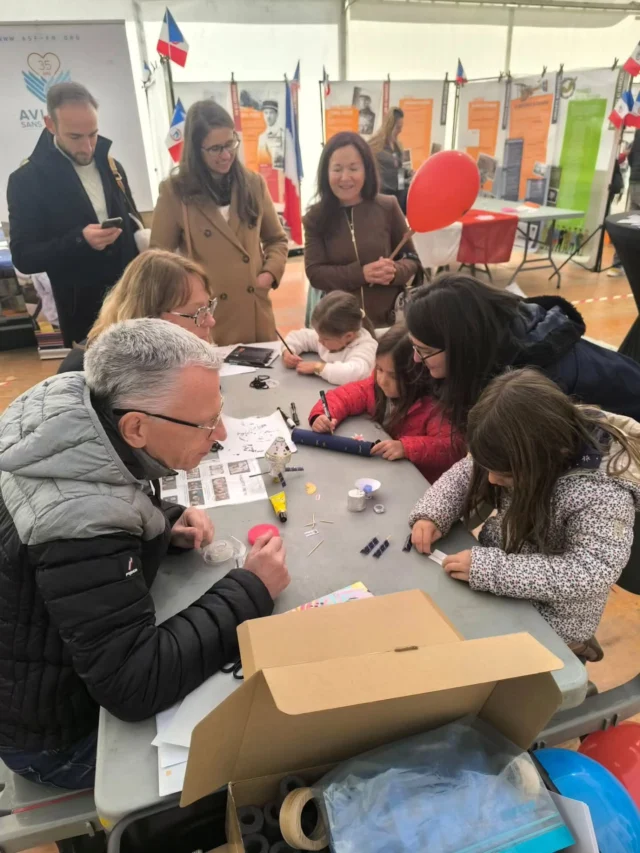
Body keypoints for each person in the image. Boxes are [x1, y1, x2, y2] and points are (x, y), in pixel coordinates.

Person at [0, 319, 290, 789]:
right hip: (58, 738)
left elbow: (102, 483)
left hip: (48, 670)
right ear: (135, 426)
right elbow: (134, 683)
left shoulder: (75, 409)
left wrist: (161, 520)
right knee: (278, 746)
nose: (218, 434)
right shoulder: (80, 526)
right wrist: (250, 589)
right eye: (203, 423)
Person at [409, 369, 640, 648]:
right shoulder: (525, 442)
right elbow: (467, 472)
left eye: (504, 475)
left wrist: (493, 571)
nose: (492, 480)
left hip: (553, 619)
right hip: (499, 581)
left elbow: (590, 571)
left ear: (549, 457)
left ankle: (572, 663)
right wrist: (433, 513)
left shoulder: (603, 495)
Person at [404, 273, 640, 433]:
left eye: (424, 350)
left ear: (461, 346)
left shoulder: (536, 383)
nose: (416, 359)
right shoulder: (499, 338)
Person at [7, 82, 140, 347]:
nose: (88, 147)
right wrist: (79, 240)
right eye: (75, 137)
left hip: (133, 308)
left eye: (93, 134)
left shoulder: (112, 166)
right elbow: (24, 258)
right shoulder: (27, 180)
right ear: (50, 124)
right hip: (83, 319)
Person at [151, 100, 288, 346]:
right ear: (195, 149)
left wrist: (267, 275)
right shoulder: (175, 193)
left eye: (230, 144)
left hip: (255, 310)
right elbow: (158, 259)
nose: (226, 155)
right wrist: (187, 299)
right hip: (208, 318)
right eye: (215, 149)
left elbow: (276, 239)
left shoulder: (253, 184)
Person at [308, 325, 463, 484]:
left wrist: (405, 448)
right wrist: (322, 416)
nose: (382, 380)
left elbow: (452, 448)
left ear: (418, 375)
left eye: (393, 376)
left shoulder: (434, 408)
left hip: (416, 485)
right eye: (379, 369)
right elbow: (343, 397)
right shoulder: (374, 387)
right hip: (385, 473)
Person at [304, 131, 421, 329]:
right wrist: (361, 274)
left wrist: (394, 272)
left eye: (353, 168)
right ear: (326, 172)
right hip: (340, 328)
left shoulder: (388, 206)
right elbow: (315, 273)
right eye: (337, 169)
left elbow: (412, 259)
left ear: (366, 170)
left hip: (388, 324)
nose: (345, 177)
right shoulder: (315, 218)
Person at [57, 249, 216, 373]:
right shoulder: (89, 372)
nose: (211, 321)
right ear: (152, 318)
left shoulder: (181, 357)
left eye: (208, 308)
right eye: (199, 312)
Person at [282, 291, 378, 385]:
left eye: (324, 339)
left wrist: (318, 368)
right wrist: (288, 351)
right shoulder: (329, 335)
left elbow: (355, 373)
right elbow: (300, 337)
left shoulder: (366, 347)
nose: (319, 341)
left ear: (348, 336)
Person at [368, 108, 410, 213]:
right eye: (398, 127)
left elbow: (399, 169)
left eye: (401, 127)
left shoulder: (398, 146)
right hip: (383, 194)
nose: (400, 130)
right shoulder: (375, 145)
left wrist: (408, 174)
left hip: (399, 194)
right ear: (389, 126)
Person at [257, 99, 284, 169]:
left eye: (271, 113)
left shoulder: (282, 135)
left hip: (279, 175)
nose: (268, 116)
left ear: (277, 114)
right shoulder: (261, 137)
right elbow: (261, 162)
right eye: (266, 113)